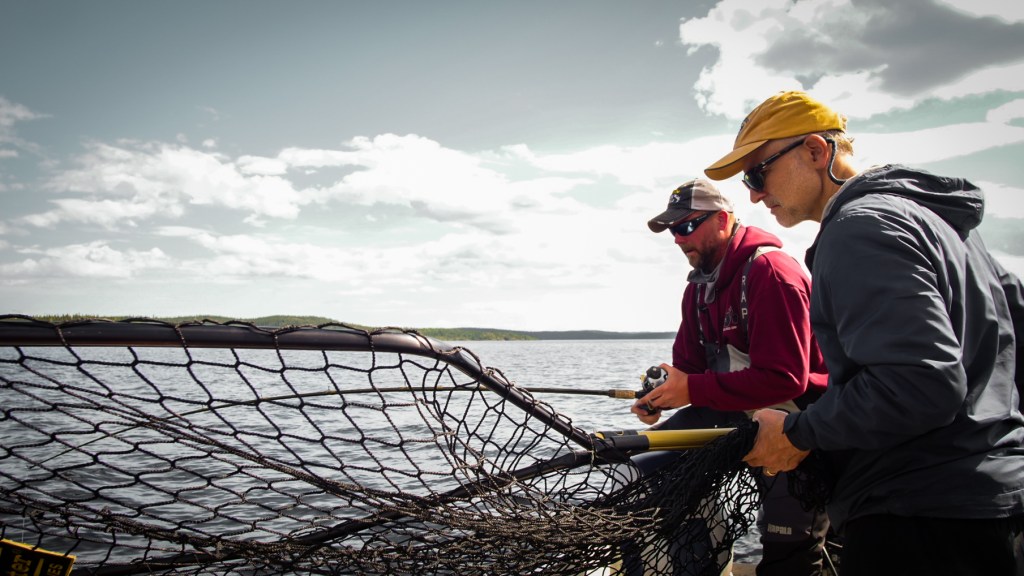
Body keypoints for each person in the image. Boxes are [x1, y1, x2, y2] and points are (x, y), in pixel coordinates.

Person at [705, 90, 1024, 575]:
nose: (753, 195)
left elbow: (917, 383)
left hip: (918, 518)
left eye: (757, 173)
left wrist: (798, 432)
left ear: (816, 151)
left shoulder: (858, 229)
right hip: (995, 502)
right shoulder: (947, 227)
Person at [627, 178, 830, 575]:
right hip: (730, 414)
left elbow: (786, 379)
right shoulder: (697, 288)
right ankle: (702, 557)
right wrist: (661, 394)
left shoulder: (771, 272)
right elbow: (689, 368)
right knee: (639, 470)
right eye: (672, 229)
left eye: (687, 225)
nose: (678, 238)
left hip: (794, 425)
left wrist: (691, 388)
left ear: (722, 220)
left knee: (787, 550)